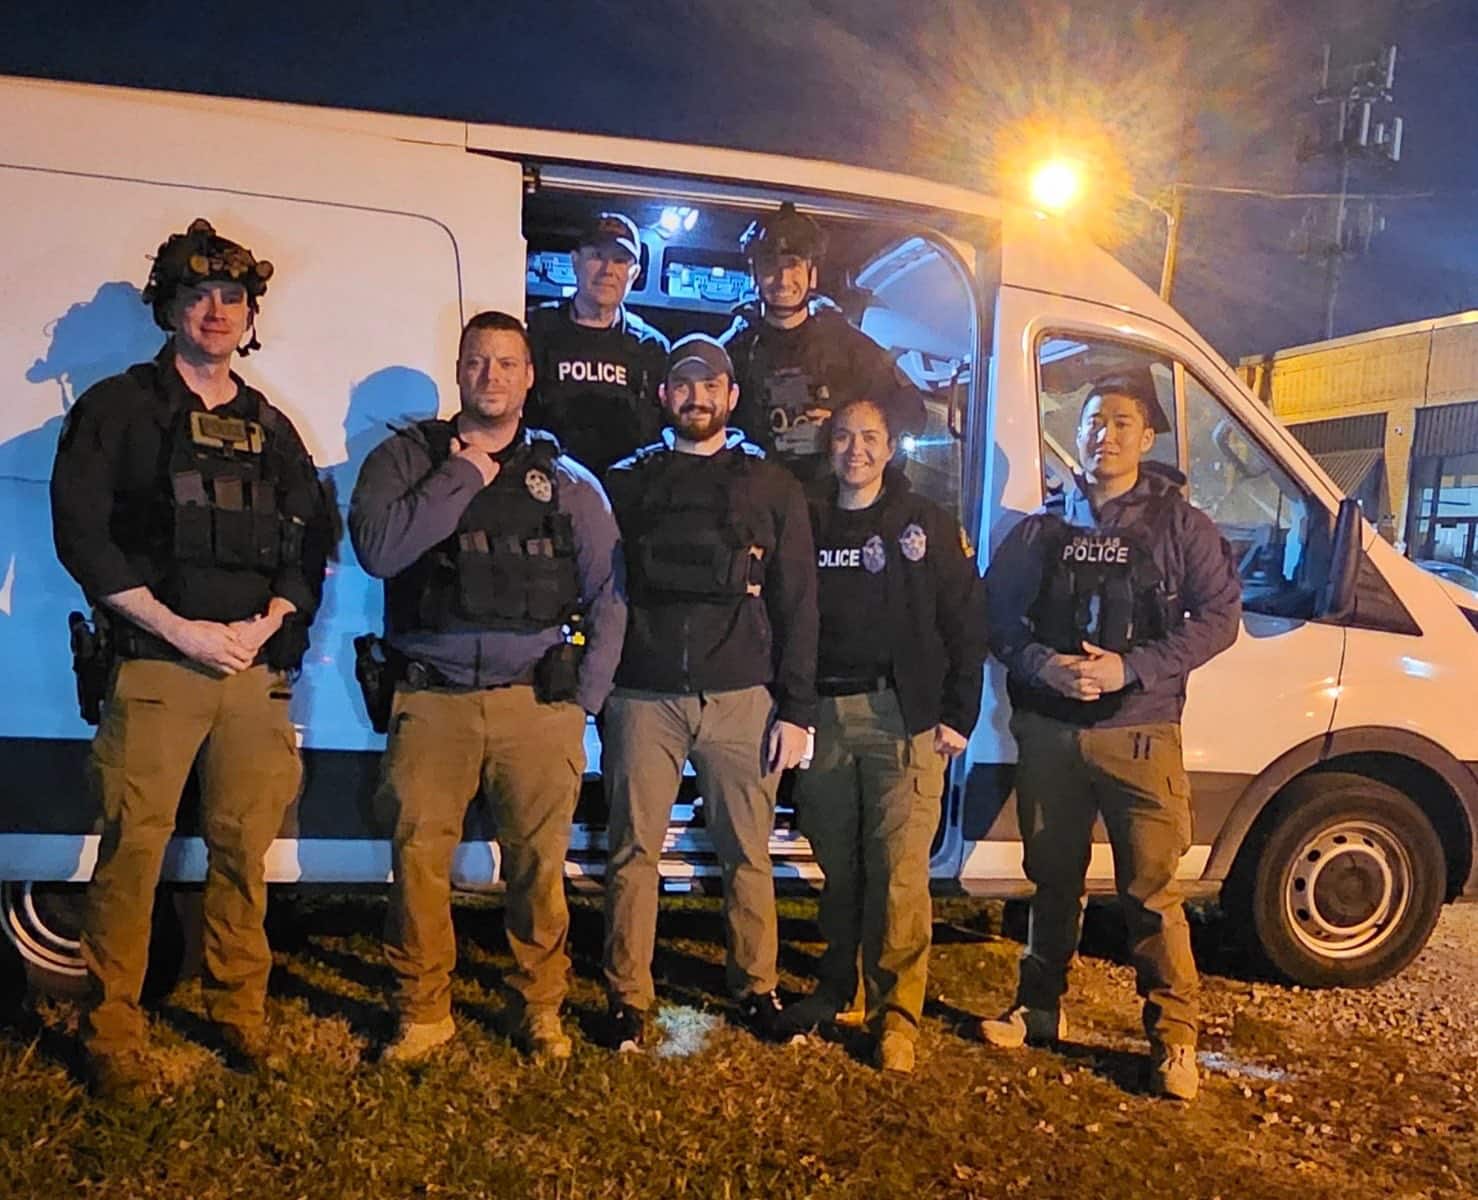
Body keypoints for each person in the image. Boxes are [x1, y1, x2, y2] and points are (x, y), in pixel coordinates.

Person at [50, 218, 329, 1095]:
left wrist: (268, 622)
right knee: (135, 849)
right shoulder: (118, 409)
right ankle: (111, 1030)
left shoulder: (270, 426)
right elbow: (82, 539)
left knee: (243, 851)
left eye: (231, 299)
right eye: (198, 295)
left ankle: (239, 1012)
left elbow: (309, 542)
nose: (215, 311)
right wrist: (179, 629)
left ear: (249, 316)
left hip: (250, 673)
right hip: (157, 666)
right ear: (169, 307)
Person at [349, 310, 625, 1063]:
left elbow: (609, 595)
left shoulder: (566, 481)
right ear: (459, 370)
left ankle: (540, 1007)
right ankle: (423, 1012)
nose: (491, 376)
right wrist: (465, 473)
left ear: (529, 376)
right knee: (418, 865)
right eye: (477, 361)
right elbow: (380, 550)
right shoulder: (406, 459)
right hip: (431, 699)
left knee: (538, 870)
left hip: (533, 708)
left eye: (507, 363)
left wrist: (584, 701)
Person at [979, 372, 1242, 1102]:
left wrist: (1133, 667)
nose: (1106, 434)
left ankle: (1174, 1038)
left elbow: (1219, 618)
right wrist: (1042, 665)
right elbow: (995, 618)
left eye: (1122, 422)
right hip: (1052, 731)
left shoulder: (1182, 527)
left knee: (1151, 893)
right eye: (1094, 421)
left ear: (1147, 437)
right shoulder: (1042, 529)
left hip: (1140, 734)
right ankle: (1038, 1008)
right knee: (1051, 882)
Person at [601, 333, 817, 1050]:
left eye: (711, 385)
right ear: (665, 395)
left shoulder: (772, 486)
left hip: (741, 695)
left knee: (747, 853)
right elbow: (600, 586)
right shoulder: (626, 483)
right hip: (642, 693)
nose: (697, 397)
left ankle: (756, 988)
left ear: (732, 395)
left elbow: (798, 602)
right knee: (633, 851)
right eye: (684, 385)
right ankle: (628, 997)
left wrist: (796, 708)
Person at [785, 397, 986, 1073]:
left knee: (899, 872)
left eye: (869, 437)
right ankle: (838, 986)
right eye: (843, 437)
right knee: (840, 868)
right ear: (829, 446)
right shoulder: (807, 521)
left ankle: (896, 1016)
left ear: (891, 447)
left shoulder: (925, 524)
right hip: (825, 717)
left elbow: (966, 621)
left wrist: (959, 713)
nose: (856, 449)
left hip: (903, 719)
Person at [721, 201, 926, 480]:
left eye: (793, 265)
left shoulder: (852, 348)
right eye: (770, 265)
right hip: (756, 496)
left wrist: (845, 426)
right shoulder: (732, 353)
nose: (783, 279)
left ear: (812, 274)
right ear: (753, 273)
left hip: (832, 498)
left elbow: (913, 413)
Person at [526, 212, 670, 476]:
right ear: (575, 262)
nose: (607, 270)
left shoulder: (652, 347)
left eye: (620, 260)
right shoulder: (534, 330)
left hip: (625, 491)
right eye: (597, 256)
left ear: (634, 274)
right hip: (546, 484)